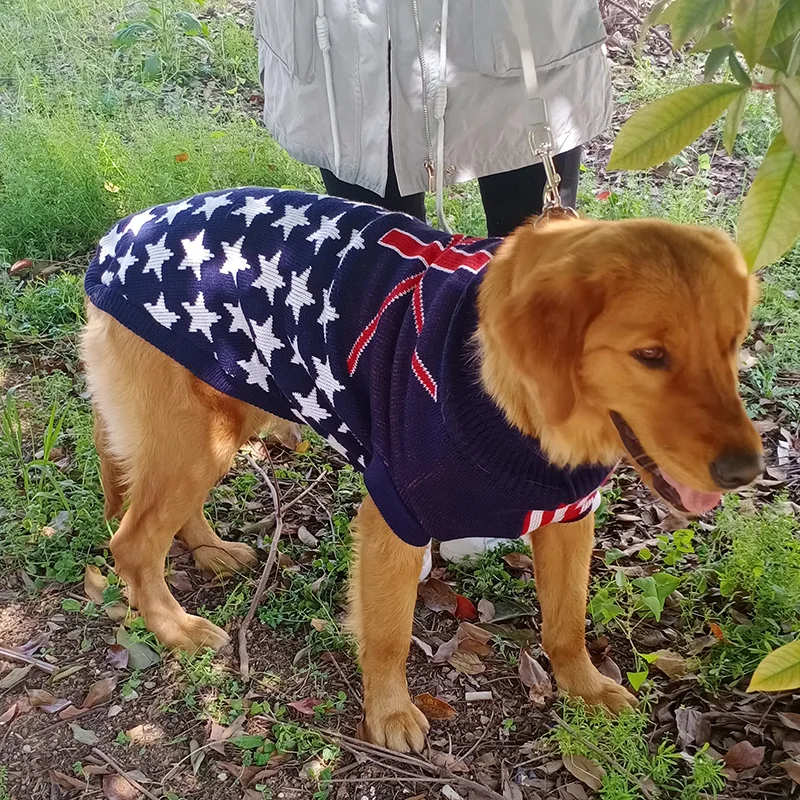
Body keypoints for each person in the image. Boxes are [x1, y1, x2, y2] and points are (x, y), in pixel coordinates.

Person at [253, 0, 612, 561]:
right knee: (378, 267)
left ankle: (510, 470)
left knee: (535, 252)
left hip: (509, 26)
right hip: (350, 29)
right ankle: (410, 479)